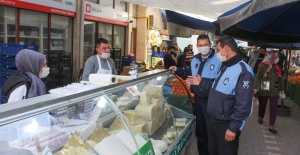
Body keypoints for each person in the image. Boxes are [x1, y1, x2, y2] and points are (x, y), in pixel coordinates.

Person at [170, 34, 222, 155]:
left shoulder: (219, 59)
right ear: (197, 46)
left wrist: (202, 82)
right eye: (201, 45)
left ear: (210, 45)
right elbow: (189, 73)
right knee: (201, 133)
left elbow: (221, 83)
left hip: (211, 103)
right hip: (198, 102)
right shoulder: (195, 60)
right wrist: (177, 70)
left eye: (205, 45)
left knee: (212, 134)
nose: (203, 47)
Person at [207, 36, 253, 155]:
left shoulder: (244, 71)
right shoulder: (225, 66)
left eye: (218, 49)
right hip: (214, 122)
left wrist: (233, 128)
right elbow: (216, 89)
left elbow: (243, 104)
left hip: (226, 126)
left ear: (226, 48)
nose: (217, 53)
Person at [254, 51, 285, 134]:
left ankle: (271, 125)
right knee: (262, 105)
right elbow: (257, 77)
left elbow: (280, 79)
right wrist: (256, 87)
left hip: (274, 89)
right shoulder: (263, 66)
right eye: (276, 57)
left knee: (273, 108)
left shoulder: (278, 67)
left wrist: (282, 89)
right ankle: (261, 116)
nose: (277, 59)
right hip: (264, 87)